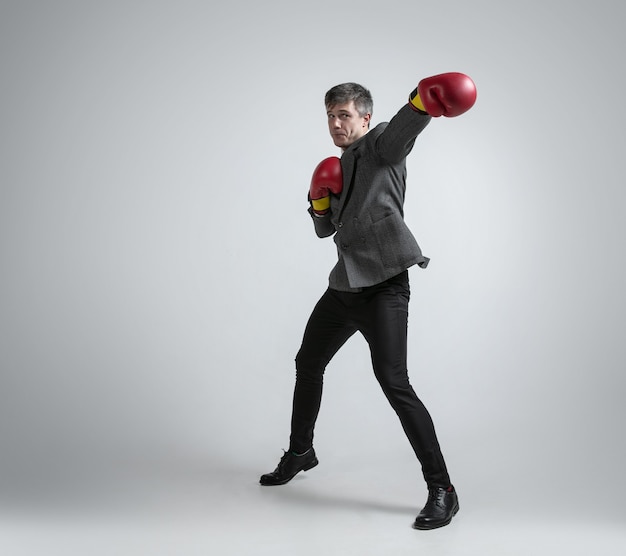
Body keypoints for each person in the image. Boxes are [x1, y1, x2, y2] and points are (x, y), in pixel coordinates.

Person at [259, 73, 477, 530]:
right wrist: (319, 200)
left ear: (365, 118)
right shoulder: (338, 165)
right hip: (344, 288)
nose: (336, 124)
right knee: (308, 362)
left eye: (344, 115)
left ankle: (444, 490)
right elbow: (326, 233)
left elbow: (405, 127)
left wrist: (421, 102)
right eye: (330, 116)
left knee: (394, 383)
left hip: (384, 287)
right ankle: (301, 452)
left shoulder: (382, 146)